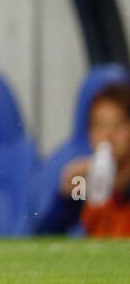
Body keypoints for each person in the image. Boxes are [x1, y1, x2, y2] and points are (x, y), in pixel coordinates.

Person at [38, 81, 130, 236]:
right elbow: (46, 237)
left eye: (118, 125)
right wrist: (67, 198)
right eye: (99, 126)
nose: (108, 135)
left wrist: (118, 185)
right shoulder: (85, 181)